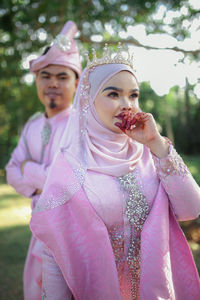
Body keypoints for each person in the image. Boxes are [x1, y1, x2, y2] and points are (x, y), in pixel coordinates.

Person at [30, 44, 200, 300]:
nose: (127, 105)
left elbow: (191, 208)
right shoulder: (69, 165)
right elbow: (55, 251)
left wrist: (156, 143)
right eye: (113, 94)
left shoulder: (151, 152)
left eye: (133, 95)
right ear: (88, 100)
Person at [6, 20, 81, 300]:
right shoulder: (32, 125)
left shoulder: (82, 125)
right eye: (45, 75)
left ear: (77, 81)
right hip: (39, 233)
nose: (52, 83)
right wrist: (42, 181)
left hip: (75, 236)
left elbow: (68, 181)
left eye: (62, 76)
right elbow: (11, 170)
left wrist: (29, 169)